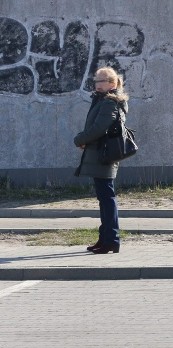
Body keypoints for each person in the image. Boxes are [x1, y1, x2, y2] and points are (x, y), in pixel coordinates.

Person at [73, 67, 129, 254]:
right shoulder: (102, 100)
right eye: (96, 81)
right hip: (99, 153)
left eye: (101, 81)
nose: (97, 85)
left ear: (112, 84)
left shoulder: (109, 102)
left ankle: (111, 239)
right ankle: (105, 238)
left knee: (107, 198)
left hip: (104, 156)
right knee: (104, 198)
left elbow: (100, 128)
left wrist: (81, 139)